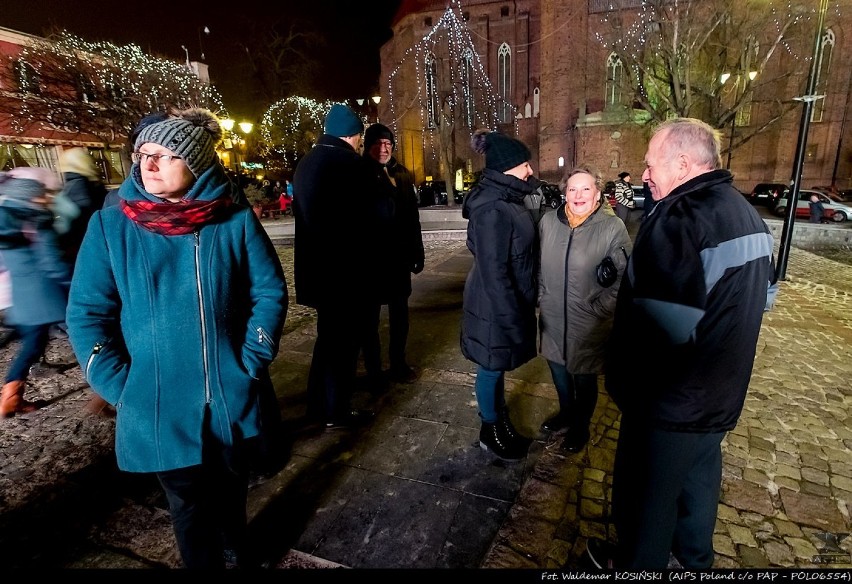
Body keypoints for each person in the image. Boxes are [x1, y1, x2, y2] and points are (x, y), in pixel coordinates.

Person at [65, 107, 288, 569]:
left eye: (164, 156)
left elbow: (268, 290)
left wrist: (251, 358)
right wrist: (119, 386)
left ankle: (235, 549)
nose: (147, 165)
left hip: (227, 396)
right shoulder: (110, 227)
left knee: (230, 492)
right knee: (188, 507)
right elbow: (87, 314)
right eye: (143, 153)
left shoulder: (233, 218)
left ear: (198, 164)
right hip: (158, 404)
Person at [586, 118, 776, 570]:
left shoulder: (678, 218)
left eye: (651, 165)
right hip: (721, 394)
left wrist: (629, 385)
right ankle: (694, 561)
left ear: (684, 164)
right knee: (699, 483)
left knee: (644, 502)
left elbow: (657, 331)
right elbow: (764, 298)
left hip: (669, 404)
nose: (645, 174)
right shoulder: (747, 212)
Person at [293, 103, 379, 429]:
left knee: (327, 343)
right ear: (353, 135)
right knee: (343, 349)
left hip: (318, 274)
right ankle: (336, 411)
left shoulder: (307, 162)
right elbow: (369, 221)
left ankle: (318, 406)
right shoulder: (349, 164)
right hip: (347, 277)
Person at [537, 165, 631, 453]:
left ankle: (580, 426)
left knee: (583, 376)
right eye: (573, 188)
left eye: (586, 188)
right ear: (565, 192)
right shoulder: (548, 222)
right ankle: (566, 413)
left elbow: (624, 279)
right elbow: (538, 264)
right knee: (558, 369)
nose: (578, 195)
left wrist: (599, 309)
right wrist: (542, 296)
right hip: (552, 316)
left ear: (597, 193)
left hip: (588, 320)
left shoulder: (612, 227)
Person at [461, 129, 538, 462]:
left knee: (497, 366)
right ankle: (490, 431)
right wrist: (512, 319)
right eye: (525, 165)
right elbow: (495, 273)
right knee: (491, 367)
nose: (530, 171)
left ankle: (499, 423)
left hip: (505, 301)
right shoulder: (493, 208)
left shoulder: (506, 199)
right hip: (495, 306)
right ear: (509, 167)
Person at [0, 167, 71, 418]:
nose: (46, 198)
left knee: (33, 344)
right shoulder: (38, 223)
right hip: (48, 296)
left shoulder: (7, 226)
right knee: (86, 337)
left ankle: (12, 397)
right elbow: (53, 265)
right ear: (31, 198)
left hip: (22, 297)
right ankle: (107, 387)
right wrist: (74, 282)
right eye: (41, 195)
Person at [359, 123, 425, 386]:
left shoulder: (403, 175)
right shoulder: (360, 173)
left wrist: (417, 252)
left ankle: (398, 362)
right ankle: (374, 370)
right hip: (372, 262)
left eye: (387, 143)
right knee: (369, 320)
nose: (383, 148)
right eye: (377, 143)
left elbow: (413, 219)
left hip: (398, 260)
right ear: (368, 145)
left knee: (400, 315)